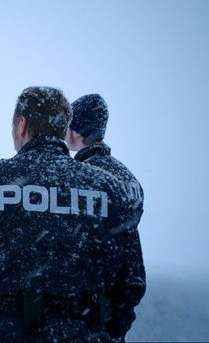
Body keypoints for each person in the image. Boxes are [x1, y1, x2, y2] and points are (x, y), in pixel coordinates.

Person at [0, 86, 141, 342]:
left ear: (22, 125)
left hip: (5, 334)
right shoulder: (108, 188)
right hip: (85, 333)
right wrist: (101, 329)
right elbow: (131, 280)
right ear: (62, 127)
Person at [66, 94, 146, 341]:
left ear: (77, 131)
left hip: (87, 310)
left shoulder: (84, 179)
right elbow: (128, 247)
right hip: (116, 303)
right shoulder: (129, 178)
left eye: (68, 124)